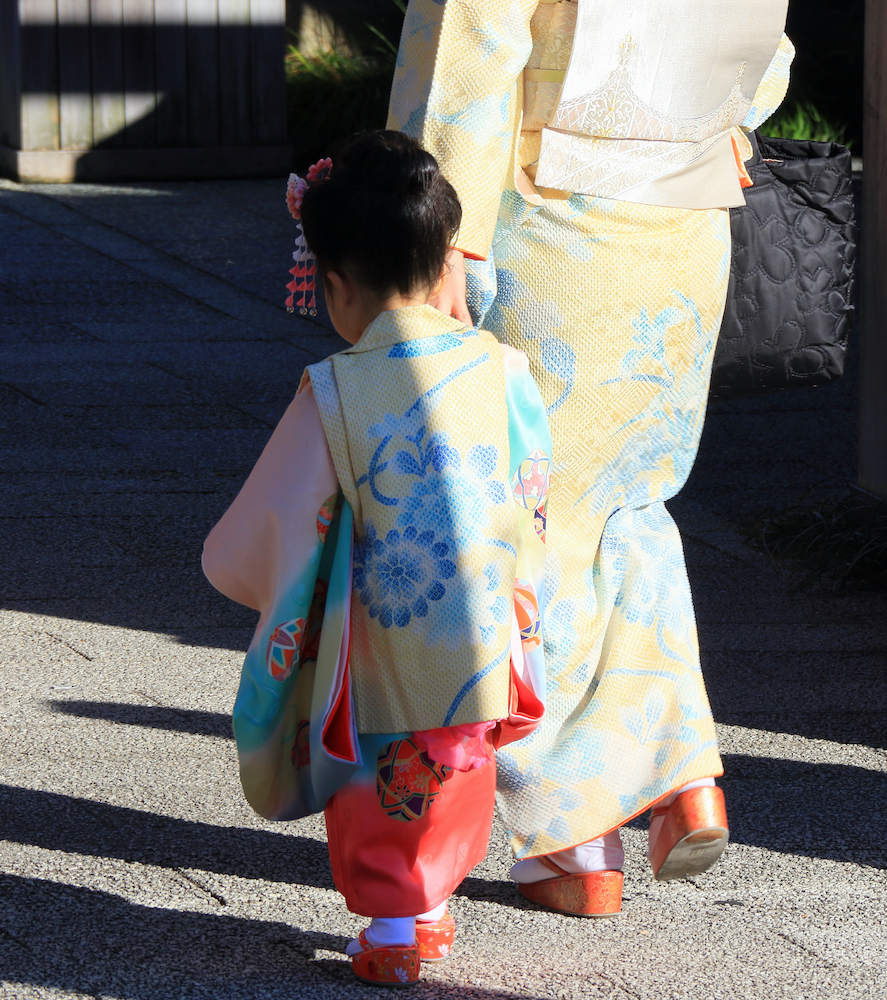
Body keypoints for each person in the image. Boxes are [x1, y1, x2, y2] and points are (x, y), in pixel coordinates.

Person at [385, 0, 794, 915]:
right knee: (627, 506)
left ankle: (577, 839)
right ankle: (679, 767)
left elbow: (471, 41)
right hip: (686, 217)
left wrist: (434, 232)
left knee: (533, 522)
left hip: (554, 213)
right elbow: (768, 62)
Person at [202, 130, 551, 985]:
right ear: (444, 267)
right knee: (453, 769)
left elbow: (286, 516)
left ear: (334, 287)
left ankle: (397, 930)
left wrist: (247, 568)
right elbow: (533, 492)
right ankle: (429, 908)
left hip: (377, 641)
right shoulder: (505, 367)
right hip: (477, 627)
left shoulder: (334, 391)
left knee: (381, 782)